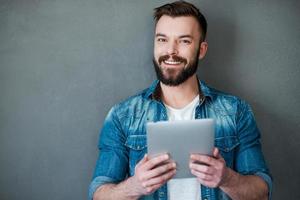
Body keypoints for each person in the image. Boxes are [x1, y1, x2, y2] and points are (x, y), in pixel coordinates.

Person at [89, 1, 272, 200]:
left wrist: (226, 178)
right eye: (162, 40)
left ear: (201, 50)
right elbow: (98, 194)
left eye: (184, 41)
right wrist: (135, 186)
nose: (171, 51)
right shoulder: (122, 116)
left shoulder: (237, 112)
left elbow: (261, 193)